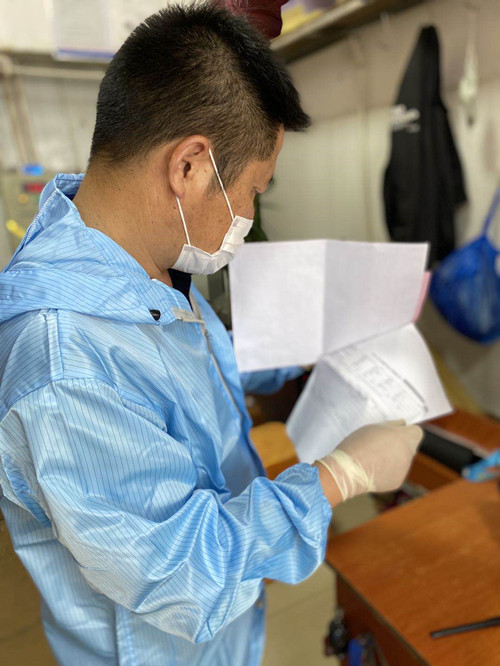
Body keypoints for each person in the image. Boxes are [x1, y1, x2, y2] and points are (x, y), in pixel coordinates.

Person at [0, 5, 423, 665]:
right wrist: (339, 477)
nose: (248, 216)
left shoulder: (131, 258)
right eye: (253, 190)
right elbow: (185, 575)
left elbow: (178, 370)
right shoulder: (65, 365)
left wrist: (301, 347)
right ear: (190, 166)